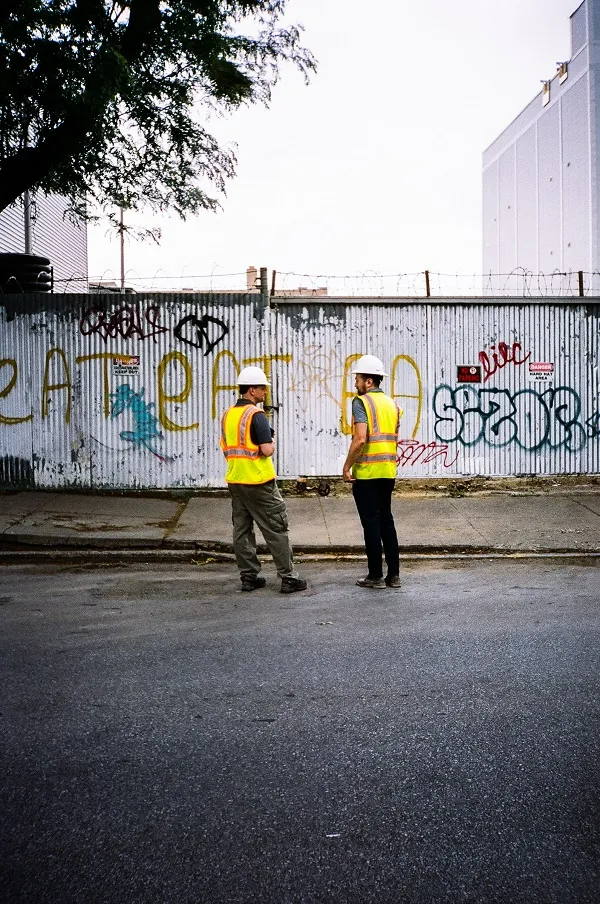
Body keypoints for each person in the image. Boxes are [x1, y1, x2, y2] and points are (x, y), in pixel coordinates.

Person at [220, 366, 307, 594]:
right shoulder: (256, 415)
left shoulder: (228, 414)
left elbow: (228, 447)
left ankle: (249, 577)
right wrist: (272, 442)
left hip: (236, 480)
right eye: (262, 388)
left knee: (242, 530)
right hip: (259, 482)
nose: (265, 392)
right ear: (251, 390)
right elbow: (267, 450)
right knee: (276, 528)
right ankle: (289, 578)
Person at [342, 355, 403, 589]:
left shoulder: (361, 403)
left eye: (357, 379)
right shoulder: (393, 405)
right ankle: (394, 575)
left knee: (371, 524)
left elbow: (359, 440)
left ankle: (375, 576)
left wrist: (347, 466)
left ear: (368, 381)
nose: (355, 383)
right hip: (388, 470)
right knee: (387, 520)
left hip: (367, 472)